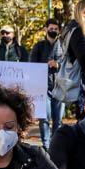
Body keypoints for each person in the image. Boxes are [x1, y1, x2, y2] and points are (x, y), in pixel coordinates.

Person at [29, 19, 65, 149]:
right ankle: (45, 144)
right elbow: (32, 66)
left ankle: (56, 144)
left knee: (58, 120)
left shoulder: (64, 46)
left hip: (60, 87)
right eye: (51, 28)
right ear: (45, 29)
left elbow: (69, 65)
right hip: (43, 88)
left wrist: (58, 65)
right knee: (44, 118)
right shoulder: (38, 46)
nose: (53, 31)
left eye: (56, 29)